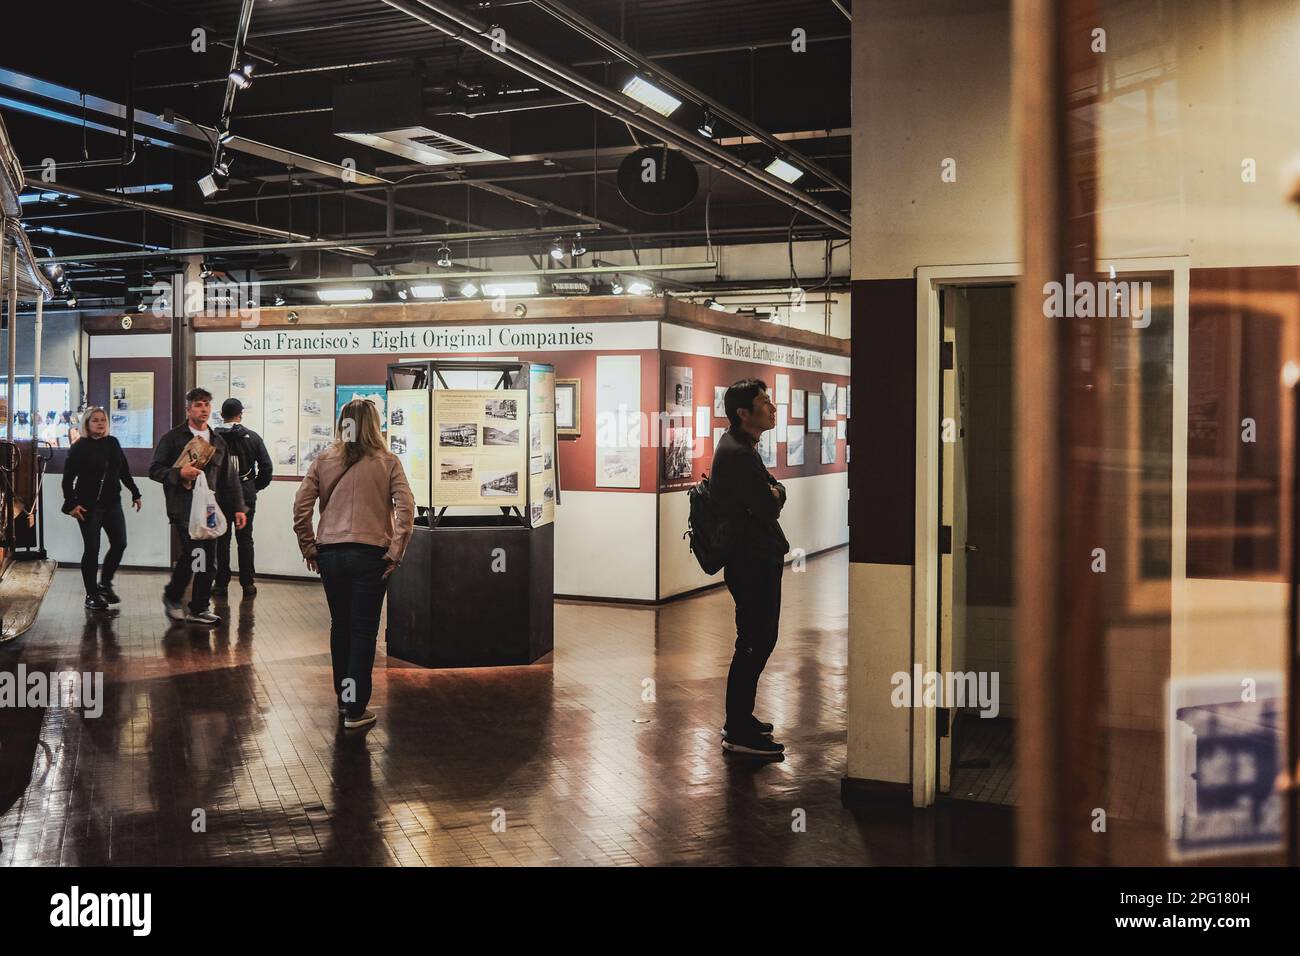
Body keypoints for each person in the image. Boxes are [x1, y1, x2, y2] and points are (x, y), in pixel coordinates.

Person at [293, 399, 414, 730]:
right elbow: (406, 508)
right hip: (369, 556)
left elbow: (301, 506)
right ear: (374, 423)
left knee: (340, 625)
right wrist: (395, 551)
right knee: (362, 630)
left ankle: (343, 696)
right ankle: (354, 707)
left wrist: (309, 547)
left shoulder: (324, 459)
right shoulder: (387, 461)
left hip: (331, 553)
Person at [710, 378, 789, 757]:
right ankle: (739, 729)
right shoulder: (739, 454)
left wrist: (775, 492)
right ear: (744, 413)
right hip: (751, 561)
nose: (772, 408)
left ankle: (740, 717)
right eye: (764, 402)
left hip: (754, 558)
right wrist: (775, 494)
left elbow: (773, 491)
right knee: (756, 642)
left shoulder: (741, 447)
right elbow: (769, 503)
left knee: (756, 640)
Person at [149, 387, 247, 625]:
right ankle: (176, 597)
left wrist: (238, 507)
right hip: (183, 508)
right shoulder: (172, 439)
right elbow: (154, 470)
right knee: (196, 555)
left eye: (206, 405)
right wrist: (179, 472)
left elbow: (229, 478)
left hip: (209, 509)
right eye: (198, 405)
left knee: (207, 558)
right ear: (188, 409)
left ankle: (198, 607)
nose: (203, 409)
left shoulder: (217, 440)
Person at [61, 406, 142, 610]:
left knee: (120, 543)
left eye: (103, 420)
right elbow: (67, 480)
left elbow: (123, 470)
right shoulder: (79, 447)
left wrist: (135, 492)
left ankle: (105, 584)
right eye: (95, 420)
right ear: (87, 424)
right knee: (92, 549)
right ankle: (91, 594)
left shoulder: (113, 443)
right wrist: (72, 504)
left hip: (112, 502)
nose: (99, 423)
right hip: (88, 506)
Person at [213, 398, 273, 598]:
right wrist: (253, 487)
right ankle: (248, 584)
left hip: (219, 495)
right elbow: (267, 468)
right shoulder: (253, 437)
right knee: (245, 539)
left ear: (222, 415)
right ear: (240, 414)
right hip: (246, 494)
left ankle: (221, 584)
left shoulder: (213, 437)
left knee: (222, 540)